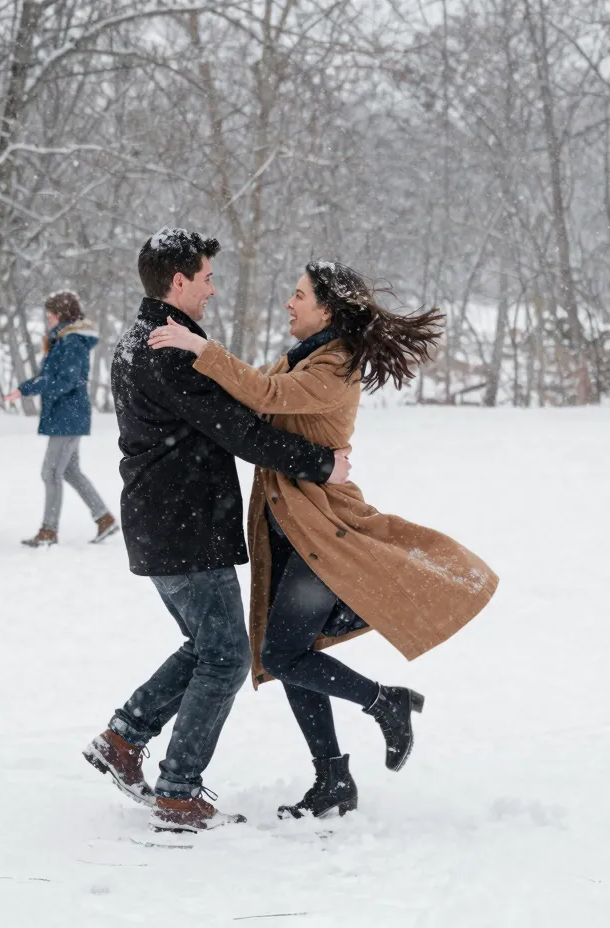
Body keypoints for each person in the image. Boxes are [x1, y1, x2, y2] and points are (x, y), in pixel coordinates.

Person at [147, 260, 499, 820]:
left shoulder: (334, 366)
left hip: (321, 530)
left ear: (328, 309)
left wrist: (199, 348)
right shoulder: (303, 356)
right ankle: (333, 779)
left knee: (280, 653)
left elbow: (263, 395)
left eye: (298, 295)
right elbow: (248, 397)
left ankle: (387, 704)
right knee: (291, 654)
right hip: (289, 526)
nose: (289, 303)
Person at [81, 229, 351, 834]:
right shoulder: (167, 349)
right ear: (178, 282)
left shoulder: (141, 340)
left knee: (208, 645)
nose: (212, 288)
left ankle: (124, 739)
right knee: (227, 656)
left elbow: (235, 413)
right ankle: (177, 790)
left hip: (164, 521)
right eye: (205, 278)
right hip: (183, 525)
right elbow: (239, 431)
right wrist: (320, 463)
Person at [2, 290, 117, 547]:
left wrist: (32, 388)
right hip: (66, 416)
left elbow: (67, 380)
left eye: (51, 315)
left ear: (60, 315)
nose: (49, 320)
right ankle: (104, 519)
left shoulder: (72, 342)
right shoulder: (63, 341)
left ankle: (48, 531)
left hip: (68, 417)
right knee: (70, 471)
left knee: (51, 472)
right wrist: (26, 388)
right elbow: (53, 377)